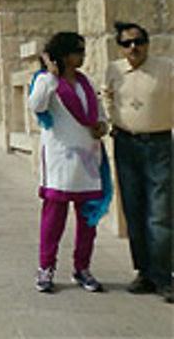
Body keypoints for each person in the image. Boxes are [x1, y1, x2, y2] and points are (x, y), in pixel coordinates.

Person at [28, 31, 110, 294]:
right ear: (64, 55)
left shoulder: (86, 83)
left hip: (87, 160)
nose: (82, 56)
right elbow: (37, 105)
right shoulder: (46, 81)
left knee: (87, 221)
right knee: (54, 219)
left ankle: (82, 268)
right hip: (60, 162)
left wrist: (102, 126)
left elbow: (99, 114)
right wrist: (51, 76)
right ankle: (46, 267)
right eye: (78, 51)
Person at [103, 21, 173, 303]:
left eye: (139, 41)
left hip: (159, 145)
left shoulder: (166, 68)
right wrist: (110, 121)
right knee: (133, 209)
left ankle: (164, 275)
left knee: (160, 212)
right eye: (127, 43)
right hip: (126, 144)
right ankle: (143, 272)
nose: (134, 47)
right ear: (120, 47)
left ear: (147, 42)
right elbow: (105, 97)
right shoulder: (114, 70)